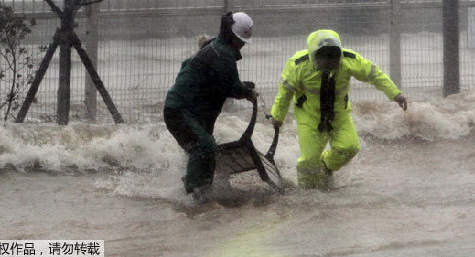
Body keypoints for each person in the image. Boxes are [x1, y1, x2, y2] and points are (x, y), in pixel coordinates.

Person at [270, 29, 408, 189]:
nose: (331, 62)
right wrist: (277, 117)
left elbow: (374, 75)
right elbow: (285, 93)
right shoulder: (298, 65)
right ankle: (307, 193)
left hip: (339, 115)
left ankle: (326, 165)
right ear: (315, 56)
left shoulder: (348, 60)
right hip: (309, 117)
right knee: (308, 160)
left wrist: (395, 94)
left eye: (334, 57)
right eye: (325, 58)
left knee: (350, 147)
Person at [164, 11, 258, 198]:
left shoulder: (215, 47)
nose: (242, 46)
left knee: (206, 151)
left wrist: (242, 88)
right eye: (240, 41)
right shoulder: (222, 54)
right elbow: (233, 88)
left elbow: (189, 66)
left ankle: (203, 192)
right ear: (231, 35)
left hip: (194, 112)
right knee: (204, 147)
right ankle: (192, 196)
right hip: (180, 111)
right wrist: (247, 93)